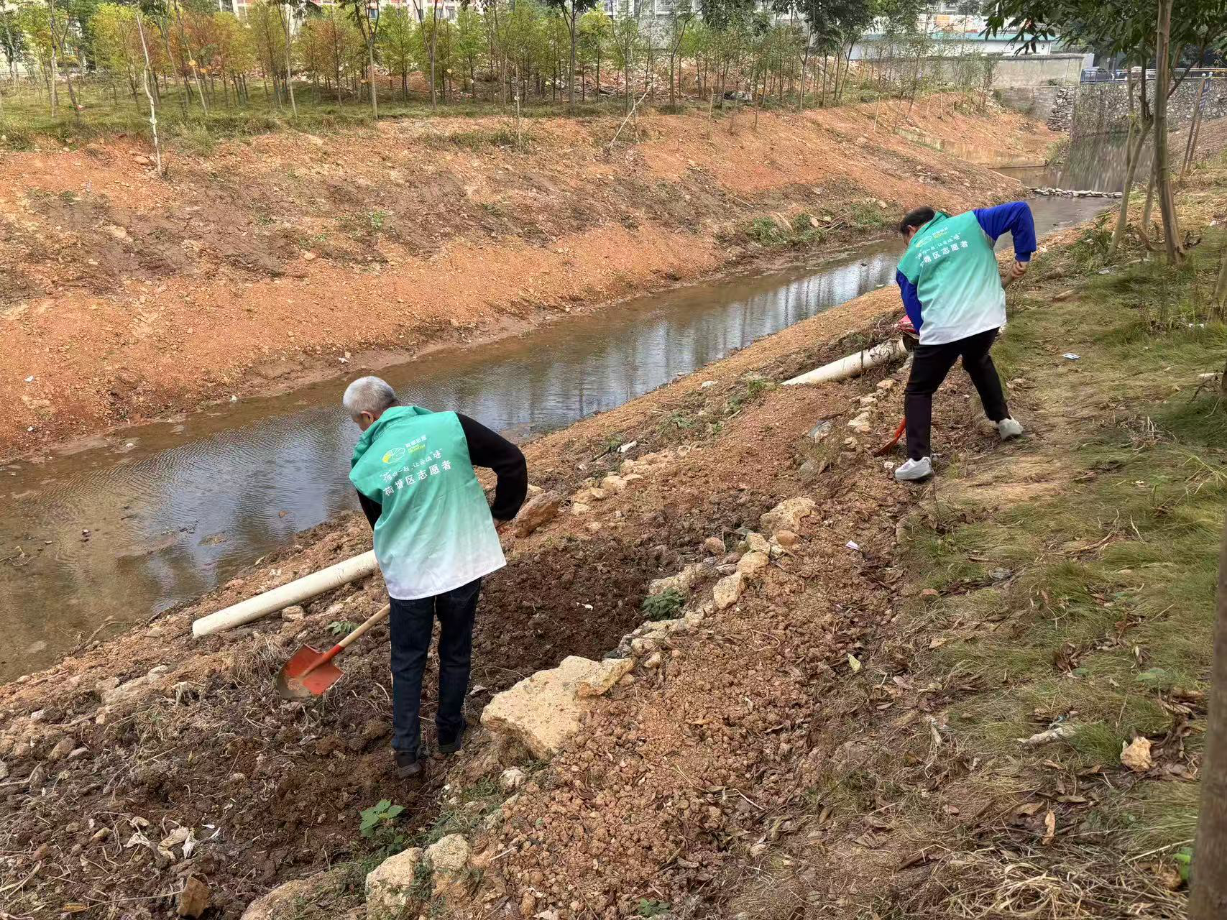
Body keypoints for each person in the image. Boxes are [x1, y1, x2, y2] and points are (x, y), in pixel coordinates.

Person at [344, 376, 527, 780]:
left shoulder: (365, 465)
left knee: (407, 660)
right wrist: (501, 513)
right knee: (456, 649)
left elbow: (380, 522)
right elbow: (511, 461)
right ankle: (449, 735)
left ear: (367, 417)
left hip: (410, 577)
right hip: (462, 561)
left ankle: (406, 752)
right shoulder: (450, 425)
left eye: (358, 424)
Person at [892, 201, 1035, 482]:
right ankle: (1005, 422)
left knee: (919, 390)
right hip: (987, 320)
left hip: (943, 329)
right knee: (978, 360)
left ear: (911, 230)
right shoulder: (974, 222)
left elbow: (912, 301)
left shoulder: (910, 258)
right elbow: (1020, 211)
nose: (908, 245)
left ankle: (918, 459)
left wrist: (924, 332)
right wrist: (1023, 255)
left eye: (906, 240)